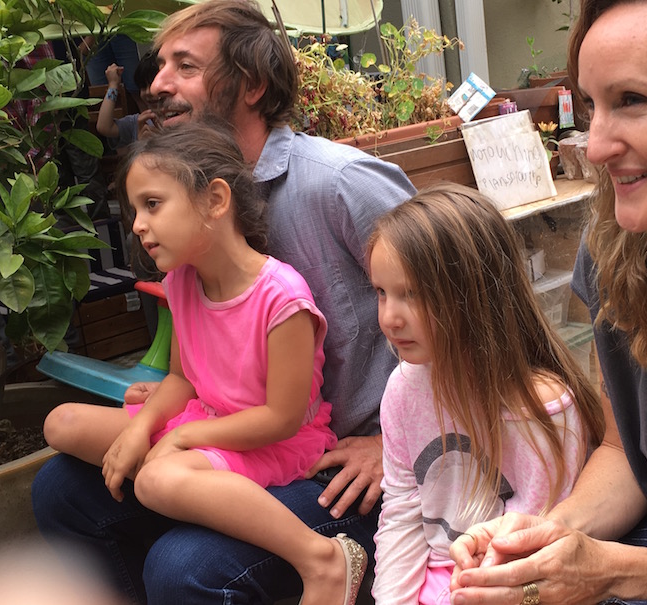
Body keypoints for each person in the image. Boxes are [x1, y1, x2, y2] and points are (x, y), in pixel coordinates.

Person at [31, 1, 417, 603]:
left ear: (252, 84)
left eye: (185, 67)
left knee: (185, 564)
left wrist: (397, 445)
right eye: (160, 66)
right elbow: (198, 360)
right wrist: (177, 400)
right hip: (229, 436)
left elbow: (479, 319)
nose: (157, 84)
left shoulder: (342, 184)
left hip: (345, 461)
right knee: (62, 490)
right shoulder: (184, 226)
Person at [448, 1, 647, 604]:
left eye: (632, 100)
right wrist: (549, 537)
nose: (593, 147)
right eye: (592, 105)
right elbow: (626, 454)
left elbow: (627, 570)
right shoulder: (619, 255)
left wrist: (619, 571)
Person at [43, 122, 367, 605]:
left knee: (155, 479)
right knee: (62, 423)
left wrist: (181, 438)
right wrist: (143, 427)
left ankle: (321, 559)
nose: (137, 224)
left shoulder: (281, 297)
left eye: (153, 204)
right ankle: (188, 495)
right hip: (207, 420)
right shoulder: (180, 282)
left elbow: (281, 419)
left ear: (215, 200)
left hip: (272, 442)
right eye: (135, 209)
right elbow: (180, 379)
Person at [368, 183, 604, 605]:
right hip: (435, 578)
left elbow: (532, 547)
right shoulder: (403, 388)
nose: (389, 317)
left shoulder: (543, 410)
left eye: (412, 294)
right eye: (381, 292)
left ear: (472, 294)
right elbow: (402, 510)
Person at [96, 51, 160, 147]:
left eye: (152, 85)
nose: (147, 92)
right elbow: (104, 127)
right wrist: (113, 85)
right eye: (143, 87)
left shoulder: (180, 120)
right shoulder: (139, 122)